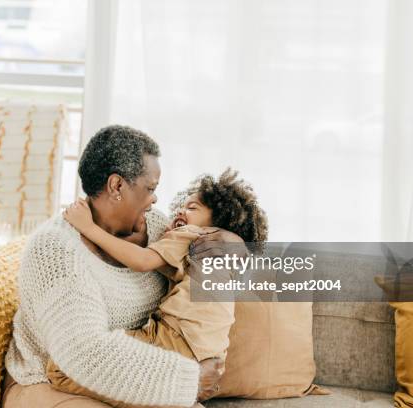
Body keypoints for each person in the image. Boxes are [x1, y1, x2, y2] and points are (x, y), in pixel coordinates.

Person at [2, 125, 242, 408]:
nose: (155, 199)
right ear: (117, 186)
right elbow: (81, 353)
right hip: (53, 380)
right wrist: (189, 379)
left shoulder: (156, 227)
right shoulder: (56, 250)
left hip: (138, 374)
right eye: (150, 188)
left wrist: (230, 241)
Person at [46, 169, 269, 408]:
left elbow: (142, 261)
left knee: (61, 367)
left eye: (193, 208)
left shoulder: (194, 235)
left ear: (219, 220)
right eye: (182, 206)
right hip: (209, 355)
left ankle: (168, 395)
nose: (182, 211)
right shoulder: (226, 256)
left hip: (174, 339)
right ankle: (173, 394)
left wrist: (88, 227)